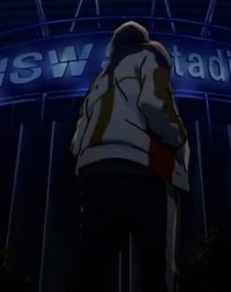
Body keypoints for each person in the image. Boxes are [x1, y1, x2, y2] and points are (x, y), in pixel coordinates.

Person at [69, 21, 190, 292]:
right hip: (143, 171)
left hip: (96, 177)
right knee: (155, 267)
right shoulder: (150, 56)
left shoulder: (100, 79)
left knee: (91, 268)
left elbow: (77, 141)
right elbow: (154, 105)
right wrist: (179, 137)